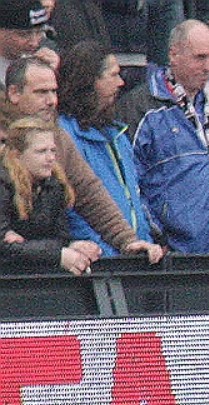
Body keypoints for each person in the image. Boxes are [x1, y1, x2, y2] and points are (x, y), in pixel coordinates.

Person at [2, 56, 163, 262]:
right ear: (14, 93)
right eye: (41, 92)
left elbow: (89, 193)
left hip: (42, 265)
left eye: (54, 91)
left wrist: (127, 240)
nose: (52, 101)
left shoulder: (58, 138)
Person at [117, 20, 209, 254]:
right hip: (169, 257)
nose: (208, 67)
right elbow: (129, 182)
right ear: (174, 55)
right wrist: (156, 235)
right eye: (200, 57)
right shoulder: (140, 109)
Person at [58, 41, 154, 256]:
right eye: (113, 75)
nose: (121, 83)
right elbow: (75, 206)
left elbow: (136, 197)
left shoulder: (117, 135)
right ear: (90, 81)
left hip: (133, 253)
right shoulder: (64, 136)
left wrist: (144, 241)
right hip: (97, 259)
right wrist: (106, 251)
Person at [0, 117, 101, 275]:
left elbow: (59, 237)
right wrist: (57, 254)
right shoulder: (3, 184)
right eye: (41, 151)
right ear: (16, 155)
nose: (50, 158)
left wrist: (72, 245)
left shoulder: (54, 185)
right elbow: (3, 247)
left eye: (53, 150)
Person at [0, 0, 58, 89]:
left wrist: (56, 75)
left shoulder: (48, 58)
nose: (34, 43)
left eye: (40, 32)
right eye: (23, 35)